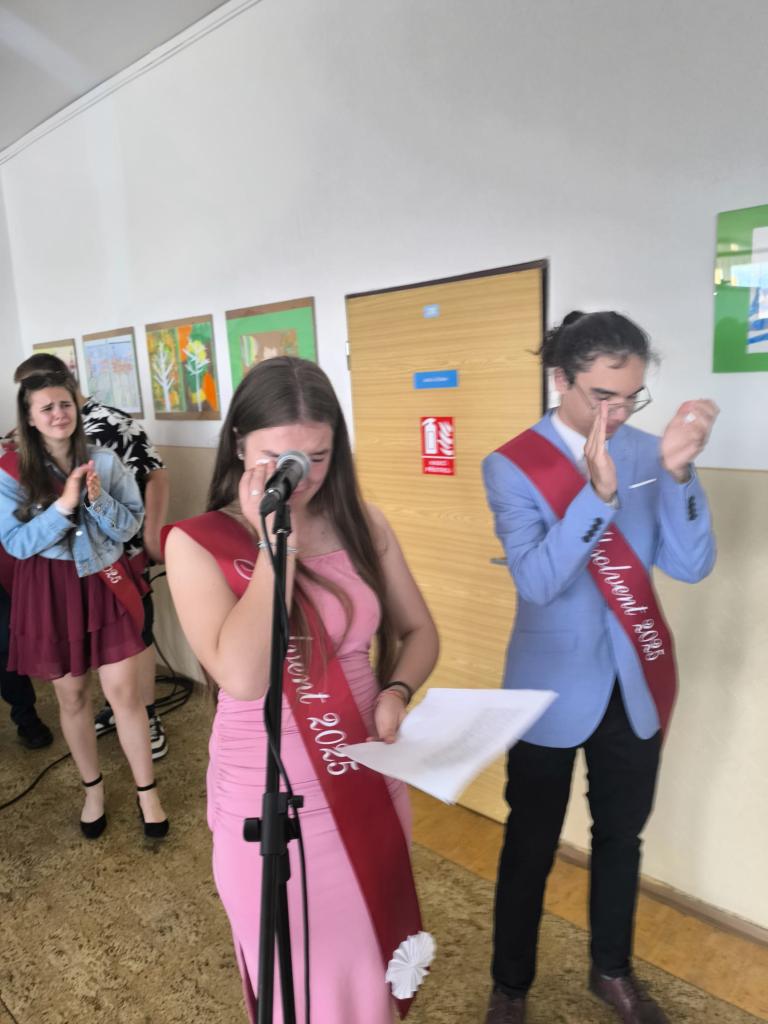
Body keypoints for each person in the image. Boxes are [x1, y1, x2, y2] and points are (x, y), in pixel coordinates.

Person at [164, 356, 439, 1022]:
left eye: (317, 457)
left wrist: (397, 689)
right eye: (278, 458)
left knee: (369, 967)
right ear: (238, 445)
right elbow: (243, 675)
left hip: (367, 771)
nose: (300, 476)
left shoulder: (363, 523)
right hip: (272, 796)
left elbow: (419, 632)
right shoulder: (196, 544)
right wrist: (274, 547)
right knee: (301, 981)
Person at [482, 311, 718, 1024]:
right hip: (548, 688)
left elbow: (691, 565)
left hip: (635, 682)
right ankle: (510, 985)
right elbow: (537, 581)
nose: (617, 414)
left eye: (631, 397)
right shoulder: (512, 464)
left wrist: (679, 473)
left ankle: (611, 971)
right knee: (529, 844)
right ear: (562, 380)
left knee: (621, 839)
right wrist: (599, 497)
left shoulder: (652, 451)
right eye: (602, 397)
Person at [0, 369, 168, 839]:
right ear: (30, 418)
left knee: (124, 695)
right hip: (50, 591)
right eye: (47, 408)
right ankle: (93, 790)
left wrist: (98, 501)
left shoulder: (105, 460)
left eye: (65, 404)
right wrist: (63, 506)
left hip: (103, 582)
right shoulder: (11, 472)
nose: (59, 414)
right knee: (72, 697)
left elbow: (129, 527)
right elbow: (16, 543)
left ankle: (147, 793)